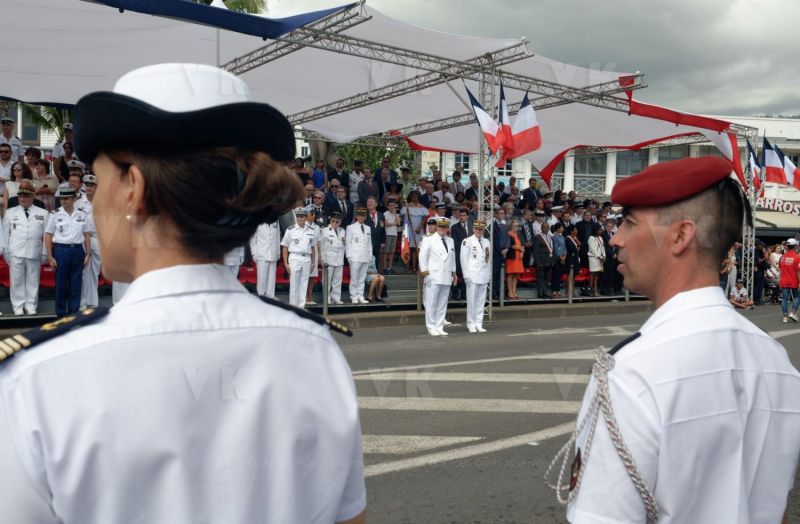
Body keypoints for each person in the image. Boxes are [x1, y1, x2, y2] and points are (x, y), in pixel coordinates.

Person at [0, 63, 366, 524]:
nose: (94, 200)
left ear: (132, 189)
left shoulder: (36, 380)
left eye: (100, 181)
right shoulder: (317, 351)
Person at [546, 157, 800, 524]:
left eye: (630, 223)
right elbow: (776, 510)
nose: (616, 238)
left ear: (681, 236)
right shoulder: (777, 362)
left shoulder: (632, 372)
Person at [44, 183, 92, 317]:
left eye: (66, 198)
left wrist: (88, 254)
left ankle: (73, 315)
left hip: (77, 250)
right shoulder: (55, 214)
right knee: (61, 285)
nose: (63, 201)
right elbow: (48, 235)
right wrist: (50, 257)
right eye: (61, 199)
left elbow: (87, 235)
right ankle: (60, 315)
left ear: (73, 199)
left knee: (76, 285)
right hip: (61, 250)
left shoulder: (82, 214)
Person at [3, 186, 48, 315]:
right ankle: (18, 306)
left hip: (34, 251)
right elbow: (5, 234)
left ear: (32, 197)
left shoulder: (43, 213)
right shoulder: (10, 212)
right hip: (15, 251)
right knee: (16, 280)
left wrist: (45, 252)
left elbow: (46, 235)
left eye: (25, 197)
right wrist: (6, 251)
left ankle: (31, 305)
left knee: (33, 280)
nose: (22, 199)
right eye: (20, 196)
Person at [419, 217, 456, 336]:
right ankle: (431, 326)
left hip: (446, 275)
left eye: (445, 227)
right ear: (436, 227)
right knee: (431, 303)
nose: (442, 229)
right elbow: (422, 258)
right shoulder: (428, 239)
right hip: (433, 275)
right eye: (440, 226)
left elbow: (452, 258)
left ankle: (439, 326)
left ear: (447, 228)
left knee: (442, 303)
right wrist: (426, 275)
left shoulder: (450, 240)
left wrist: (453, 273)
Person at [281, 207, 316, 308]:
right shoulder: (290, 229)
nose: (300, 218)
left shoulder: (311, 230)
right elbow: (285, 247)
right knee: (294, 284)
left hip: (307, 258)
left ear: (306, 217)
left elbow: (313, 247)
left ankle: (301, 307)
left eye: (302, 217)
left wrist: (313, 262)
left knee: (304, 284)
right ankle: (293, 307)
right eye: (298, 216)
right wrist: (285, 263)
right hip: (294, 257)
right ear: (296, 217)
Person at [460, 219, 490, 333]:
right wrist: (466, 276)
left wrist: (488, 275)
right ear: (473, 229)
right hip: (472, 276)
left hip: (483, 275)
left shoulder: (486, 241)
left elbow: (488, 259)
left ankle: (479, 323)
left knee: (481, 301)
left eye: (481, 229)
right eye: (477, 229)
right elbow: (463, 260)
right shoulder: (467, 241)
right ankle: (471, 323)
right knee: (472, 301)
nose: (479, 231)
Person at [78, 174, 101, 310]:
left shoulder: (103, 203)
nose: (89, 188)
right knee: (83, 271)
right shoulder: (78, 203)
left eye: (92, 185)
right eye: (87, 185)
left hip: (98, 238)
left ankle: (93, 301)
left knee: (94, 272)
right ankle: (82, 302)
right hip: (83, 238)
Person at [249, 220, 281, 298]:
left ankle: (271, 297)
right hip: (261, 254)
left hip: (273, 253)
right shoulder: (258, 221)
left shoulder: (276, 221)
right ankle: (261, 296)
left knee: (272, 279)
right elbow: (253, 239)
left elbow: (277, 238)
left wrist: (278, 252)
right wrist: (254, 254)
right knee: (262, 278)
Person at [346, 207, 371, 304]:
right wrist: (349, 257)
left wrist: (370, 255)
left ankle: (360, 295)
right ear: (356, 216)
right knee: (354, 278)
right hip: (355, 256)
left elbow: (369, 243)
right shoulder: (350, 227)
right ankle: (354, 296)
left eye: (363, 215)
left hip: (365, 256)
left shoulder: (368, 228)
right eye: (359, 215)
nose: (361, 217)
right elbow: (348, 243)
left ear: (365, 217)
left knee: (362, 278)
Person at [321, 212, 346, 304]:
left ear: (340, 222)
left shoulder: (342, 231)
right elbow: (321, 246)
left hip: (339, 259)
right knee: (327, 280)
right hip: (328, 259)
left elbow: (344, 245)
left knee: (337, 280)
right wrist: (321, 259)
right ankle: (326, 298)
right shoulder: (324, 231)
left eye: (337, 221)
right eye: (333, 221)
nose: (335, 223)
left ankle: (336, 297)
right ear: (330, 220)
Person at [778, 237, 800, 322]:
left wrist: (780, 280)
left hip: (784, 280)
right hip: (794, 280)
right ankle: (793, 312)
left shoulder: (782, 257)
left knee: (784, 299)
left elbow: (781, 269)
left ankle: (785, 317)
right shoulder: (797, 257)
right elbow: (798, 271)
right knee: (797, 296)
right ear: (795, 246)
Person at [534, 221, 554, 299]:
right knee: (540, 278)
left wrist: (553, 260)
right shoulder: (538, 237)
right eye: (545, 227)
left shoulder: (550, 237)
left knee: (547, 278)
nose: (546, 229)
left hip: (549, 261)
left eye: (548, 227)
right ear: (541, 228)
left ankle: (545, 292)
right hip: (541, 261)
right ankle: (540, 293)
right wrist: (538, 262)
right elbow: (535, 251)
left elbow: (552, 249)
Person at [505, 218, 524, 299]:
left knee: (516, 275)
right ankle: (510, 292)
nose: (517, 227)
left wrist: (522, 252)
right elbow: (509, 245)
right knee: (510, 274)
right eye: (516, 225)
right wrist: (519, 248)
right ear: (511, 226)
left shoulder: (518, 234)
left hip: (518, 257)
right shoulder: (508, 234)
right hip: (511, 257)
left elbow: (523, 244)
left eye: (518, 226)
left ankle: (514, 291)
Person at [587, 223, 605, 297]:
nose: (601, 231)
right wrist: (599, 257)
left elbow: (602, 247)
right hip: (593, 258)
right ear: (596, 230)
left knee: (597, 274)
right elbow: (593, 249)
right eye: (599, 230)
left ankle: (595, 289)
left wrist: (604, 256)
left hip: (600, 258)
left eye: (601, 230)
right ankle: (590, 290)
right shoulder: (591, 238)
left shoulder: (600, 238)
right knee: (592, 274)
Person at [382, 201, 399, 273]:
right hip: (387, 234)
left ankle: (390, 267)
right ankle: (384, 267)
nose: (392, 207)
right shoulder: (385, 214)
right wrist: (394, 223)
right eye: (390, 205)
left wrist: (395, 214)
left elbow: (399, 223)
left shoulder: (396, 214)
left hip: (394, 234)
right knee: (385, 252)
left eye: (393, 205)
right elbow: (386, 224)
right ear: (387, 206)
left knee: (392, 252)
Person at [550, 223, 566, 298]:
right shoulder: (554, 237)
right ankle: (554, 290)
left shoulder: (562, 236)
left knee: (559, 275)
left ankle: (558, 289)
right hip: (556, 259)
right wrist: (560, 257)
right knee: (555, 275)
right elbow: (556, 249)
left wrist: (564, 256)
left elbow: (564, 247)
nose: (562, 229)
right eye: (561, 228)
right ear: (557, 229)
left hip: (562, 258)